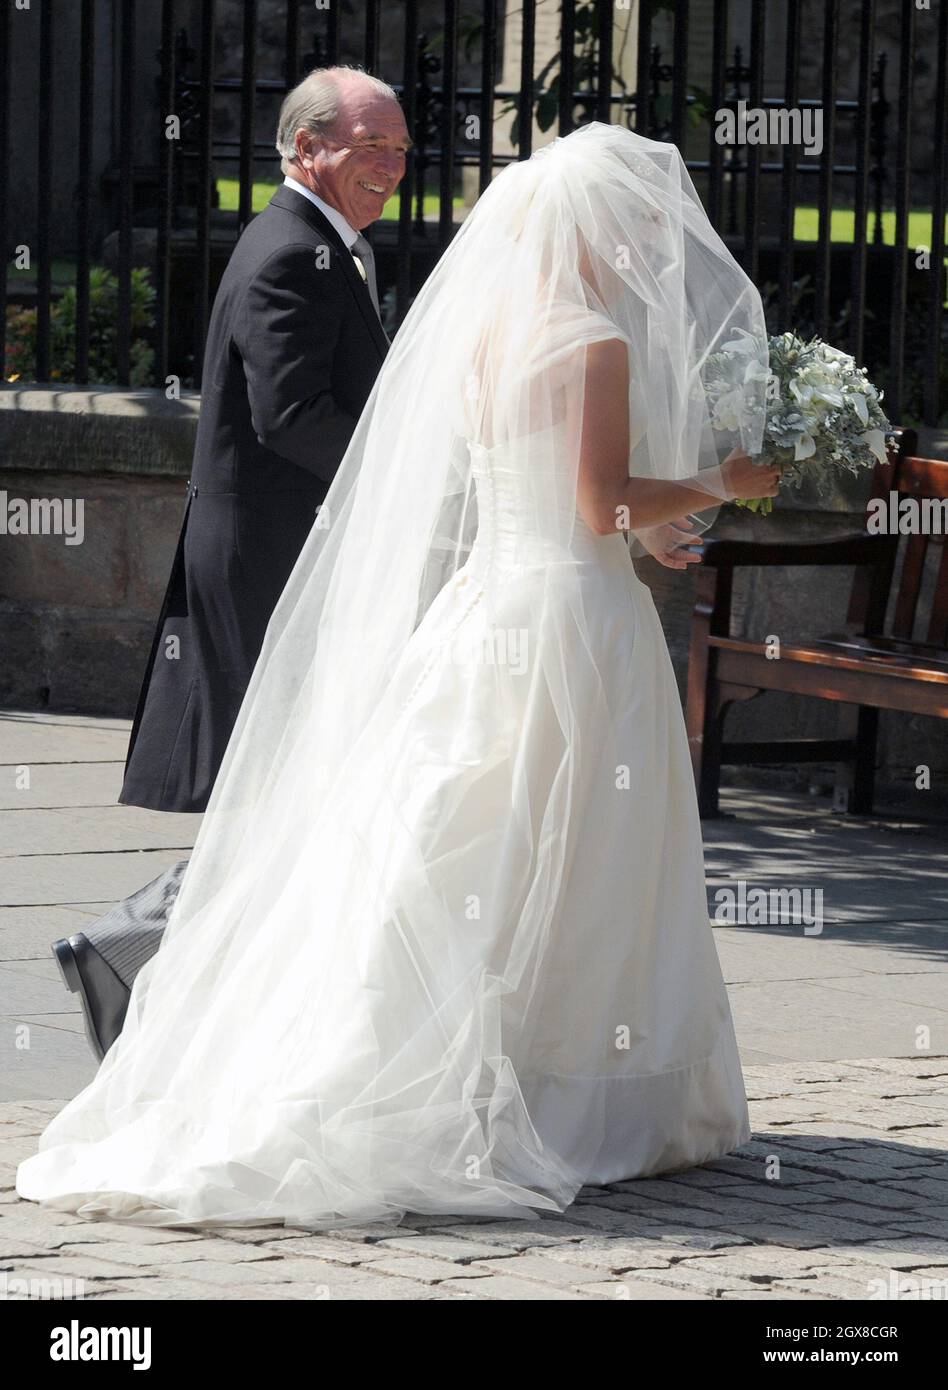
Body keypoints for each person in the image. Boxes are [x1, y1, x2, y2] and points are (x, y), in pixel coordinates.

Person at [17, 122, 778, 1229]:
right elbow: (601, 506)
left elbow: (538, 484)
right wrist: (726, 479)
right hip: (574, 618)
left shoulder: (488, 332)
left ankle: (415, 1062)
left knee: (454, 838)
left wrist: (645, 530)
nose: (649, 247)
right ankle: (579, 1096)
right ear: (593, 231)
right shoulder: (597, 341)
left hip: (491, 604)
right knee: (576, 856)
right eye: (639, 227)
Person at [51, 66, 410, 1060]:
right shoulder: (292, 254)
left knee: (291, 787)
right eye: (368, 147)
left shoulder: (326, 248)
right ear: (306, 149)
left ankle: (146, 959)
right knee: (286, 784)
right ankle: (136, 954)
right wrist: (415, 470)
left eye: (399, 149)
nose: (389, 167)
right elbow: (293, 418)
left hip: (282, 552)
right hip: (266, 559)